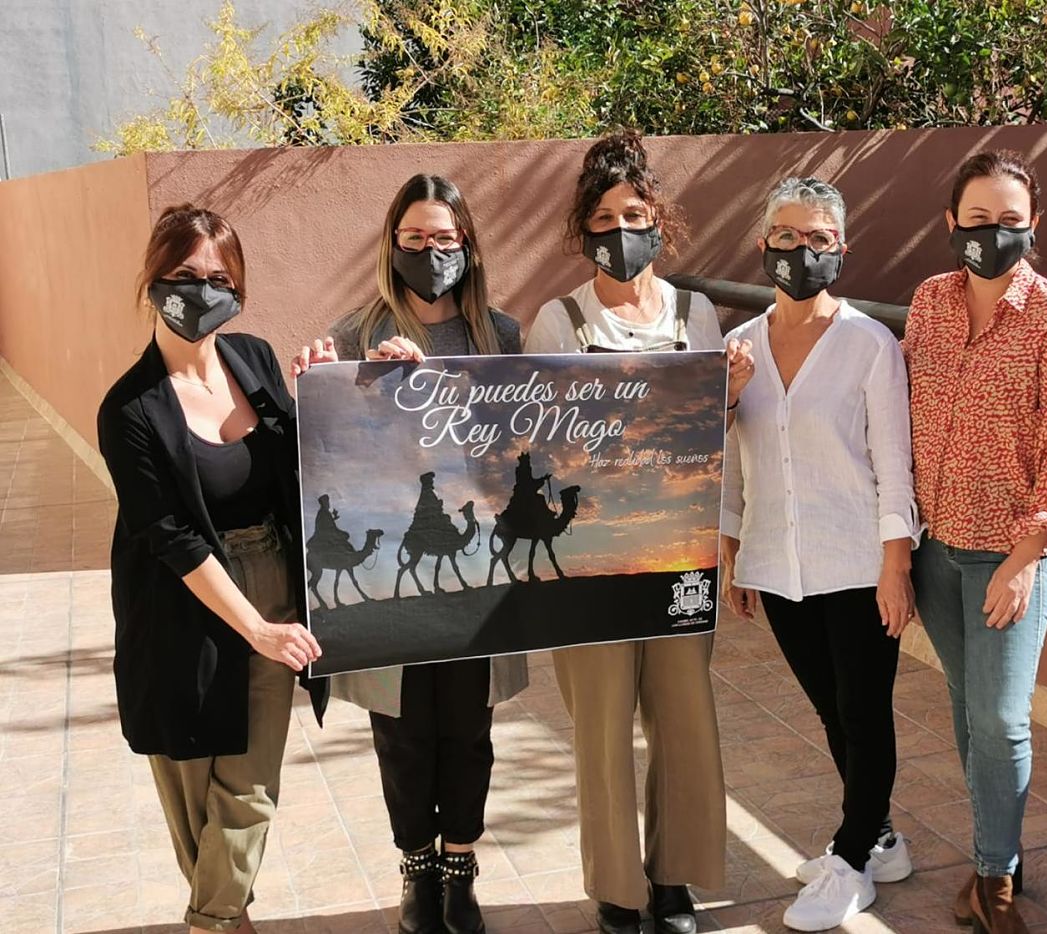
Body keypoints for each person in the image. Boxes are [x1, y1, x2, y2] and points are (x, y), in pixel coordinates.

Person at [523, 130, 753, 934]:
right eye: (603, 219)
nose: (619, 232)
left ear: (660, 222)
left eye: (633, 213)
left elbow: (714, 437)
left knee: (685, 717)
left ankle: (675, 880)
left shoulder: (699, 313)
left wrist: (724, 405)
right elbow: (537, 447)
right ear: (582, 233)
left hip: (678, 552)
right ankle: (619, 892)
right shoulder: (556, 322)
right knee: (601, 727)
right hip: (589, 560)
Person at [292, 174, 528, 934]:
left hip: (477, 574)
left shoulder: (502, 335)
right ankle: (415, 869)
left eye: (446, 238)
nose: (431, 252)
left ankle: (461, 870)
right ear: (393, 245)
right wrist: (345, 387)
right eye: (415, 239)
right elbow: (327, 450)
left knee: (468, 728)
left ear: (468, 244)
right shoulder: (354, 332)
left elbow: (520, 448)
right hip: (386, 575)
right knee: (401, 730)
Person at [97, 205, 323, 934]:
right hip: (183, 604)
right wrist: (253, 626)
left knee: (249, 787)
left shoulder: (253, 360)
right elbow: (170, 536)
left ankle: (213, 922)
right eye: (185, 276)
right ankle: (225, 918)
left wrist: (325, 394)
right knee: (194, 789)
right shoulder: (128, 408)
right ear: (153, 281)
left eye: (218, 278)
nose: (200, 291)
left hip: (273, 580)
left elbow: (301, 465)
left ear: (240, 290)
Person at [903, 151, 1047, 934]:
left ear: (1034, 227)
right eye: (979, 219)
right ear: (950, 222)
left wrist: (1026, 561)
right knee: (967, 711)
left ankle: (993, 882)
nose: (994, 234)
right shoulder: (928, 303)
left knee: (1000, 716)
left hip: (1011, 554)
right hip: (936, 546)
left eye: (1011, 222)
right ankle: (1002, 852)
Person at [720, 177, 920, 931]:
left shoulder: (870, 343)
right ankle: (882, 839)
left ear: (841, 248)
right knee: (830, 711)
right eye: (786, 236)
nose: (800, 251)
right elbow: (728, 461)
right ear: (763, 243)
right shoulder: (737, 347)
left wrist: (897, 566)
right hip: (778, 561)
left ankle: (848, 860)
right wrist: (734, 551)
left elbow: (893, 462)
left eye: (818, 239)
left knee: (865, 714)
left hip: (858, 561)